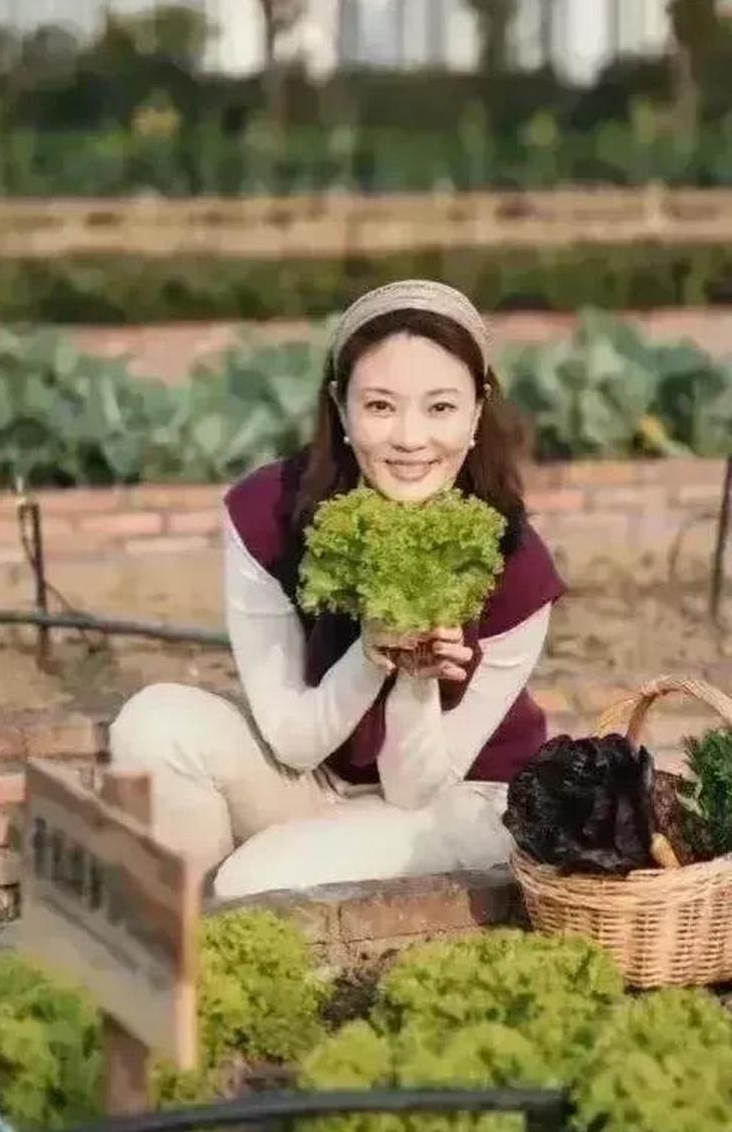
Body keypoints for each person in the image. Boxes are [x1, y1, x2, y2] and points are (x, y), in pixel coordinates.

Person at [108, 279, 566, 899]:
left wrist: (416, 675)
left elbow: (414, 790)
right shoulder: (266, 513)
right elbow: (293, 743)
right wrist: (371, 650)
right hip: (317, 775)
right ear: (340, 407)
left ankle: (241, 919)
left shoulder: (517, 565)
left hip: (461, 799)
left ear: (477, 413)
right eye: (380, 406)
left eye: (440, 407)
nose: (409, 438)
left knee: (255, 881)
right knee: (153, 723)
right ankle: (171, 947)